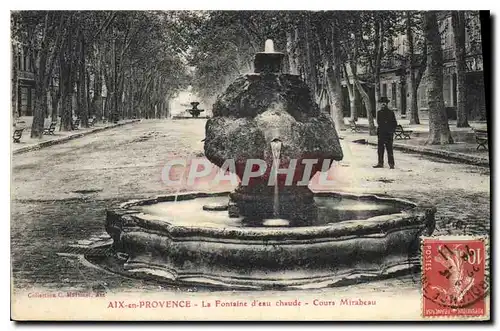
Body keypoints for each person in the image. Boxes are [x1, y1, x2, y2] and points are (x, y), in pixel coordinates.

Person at [373, 96, 397, 169]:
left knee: (389, 149)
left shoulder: (391, 112)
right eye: (381, 103)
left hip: (388, 134)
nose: (383, 104)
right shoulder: (379, 112)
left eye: (384, 103)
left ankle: (391, 164)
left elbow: (394, 123)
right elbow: (378, 122)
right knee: (380, 149)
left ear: (386, 104)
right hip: (381, 133)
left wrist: (391, 131)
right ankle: (380, 163)